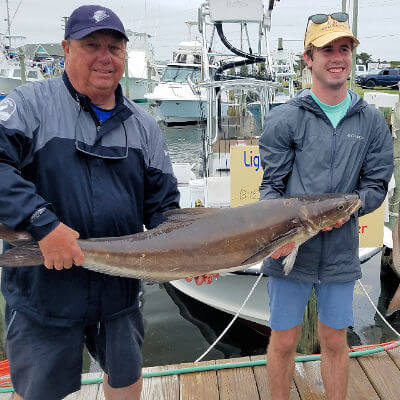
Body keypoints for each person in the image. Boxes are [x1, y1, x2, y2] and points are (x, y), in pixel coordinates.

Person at [0, 5, 214, 400]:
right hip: (43, 290)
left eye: (114, 47)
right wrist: (42, 224)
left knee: (125, 384)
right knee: (35, 392)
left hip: (119, 291)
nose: (105, 56)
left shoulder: (144, 127)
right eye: (91, 45)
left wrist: (196, 251)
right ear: (66, 48)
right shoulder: (30, 105)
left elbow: (163, 206)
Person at [259, 12, 394, 400]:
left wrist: (346, 209)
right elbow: (271, 187)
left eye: (345, 48)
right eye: (327, 49)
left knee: (335, 338)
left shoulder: (371, 123)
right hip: (288, 247)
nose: (338, 57)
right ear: (308, 58)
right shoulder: (284, 118)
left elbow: (375, 186)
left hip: (339, 249)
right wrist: (281, 231)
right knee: (283, 339)